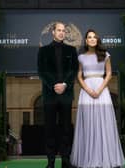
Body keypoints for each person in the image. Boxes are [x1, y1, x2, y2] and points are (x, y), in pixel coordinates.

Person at [70, 29, 125, 168]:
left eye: (95, 37)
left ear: (97, 40)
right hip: (86, 91)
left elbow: (109, 74)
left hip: (102, 91)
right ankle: (89, 158)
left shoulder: (105, 55)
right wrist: (88, 89)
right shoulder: (81, 57)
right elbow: (79, 75)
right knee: (89, 123)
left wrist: (100, 89)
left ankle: (105, 158)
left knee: (104, 123)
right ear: (86, 40)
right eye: (90, 37)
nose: (92, 39)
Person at [37, 21, 78, 168]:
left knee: (66, 129)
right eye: (59, 30)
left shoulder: (72, 50)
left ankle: (66, 161)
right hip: (49, 95)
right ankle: (51, 161)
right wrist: (54, 85)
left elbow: (73, 70)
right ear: (52, 32)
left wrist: (65, 85)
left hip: (66, 95)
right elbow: (41, 71)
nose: (61, 32)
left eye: (63, 31)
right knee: (49, 129)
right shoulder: (43, 51)